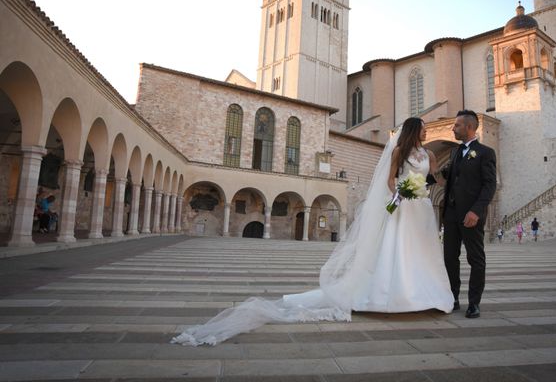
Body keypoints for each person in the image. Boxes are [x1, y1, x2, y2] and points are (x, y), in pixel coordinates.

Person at [172, 117, 454, 346]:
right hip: (403, 206)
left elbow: (435, 178)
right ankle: (393, 295)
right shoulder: (398, 152)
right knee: (398, 250)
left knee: (422, 252)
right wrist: (399, 197)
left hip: (422, 209)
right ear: (414, 131)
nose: (427, 132)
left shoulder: (428, 153)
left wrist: (434, 186)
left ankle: (425, 295)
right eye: (424, 129)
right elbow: (391, 180)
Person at [441, 110, 496, 319]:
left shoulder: (485, 152)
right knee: (449, 258)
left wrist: (476, 210)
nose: (453, 128)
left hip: (471, 215)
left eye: (456, 125)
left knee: (476, 258)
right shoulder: (454, 152)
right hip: (451, 214)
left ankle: (474, 303)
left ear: (470, 127)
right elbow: (450, 175)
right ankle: (452, 297)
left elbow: (490, 185)